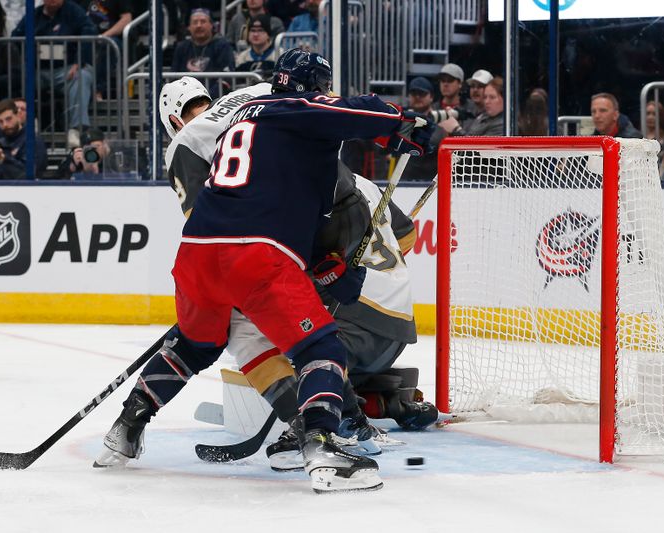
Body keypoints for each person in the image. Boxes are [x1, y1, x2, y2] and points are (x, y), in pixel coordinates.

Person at [94, 49, 435, 493]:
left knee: (193, 348)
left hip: (198, 252)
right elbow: (350, 111)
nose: (327, 96)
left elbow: (280, 199)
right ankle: (322, 444)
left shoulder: (247, 119)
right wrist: (398, 122)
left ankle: (124, 431)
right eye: (323, 89)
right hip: (256, 256)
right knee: (320, 346)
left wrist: (320, 264)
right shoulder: (293, 108)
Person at [12, 0, 98, 148]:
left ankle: (76, 130)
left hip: (66, 69)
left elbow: (90, 31)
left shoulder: (74, 11)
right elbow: (15, 37)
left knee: (82, 76)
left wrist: (79, 61)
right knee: (19, 78)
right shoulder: (34, 14)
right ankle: (27, 124)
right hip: (38, 70)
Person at [170, 8, 234, 97]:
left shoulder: (222, 46)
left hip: (215, 100)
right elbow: (174, 77)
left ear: (211, 25)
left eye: (203, 21)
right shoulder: (182, 47)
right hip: (186, 100)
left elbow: (226, 77)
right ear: (189, 27)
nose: (199, 25)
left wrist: (206, 98)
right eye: (195, 22)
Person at [0, 98, 47, 178]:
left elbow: (29, 175)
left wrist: (3, 159)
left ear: (18, 115)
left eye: (8, 119)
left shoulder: (33, 140)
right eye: (0, 122)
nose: (5, 125)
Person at [81, 0, 132, 100]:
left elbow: (126, 19)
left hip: (112, 37)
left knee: (108, 45)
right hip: (87, 37)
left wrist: (104, 36)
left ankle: (97, 90)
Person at [234, 14, 277, 78]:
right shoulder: (242, 57)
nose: (256, 34)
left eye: (260, 30)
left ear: (268, 34)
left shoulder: (279, 55)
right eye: (252, 30)